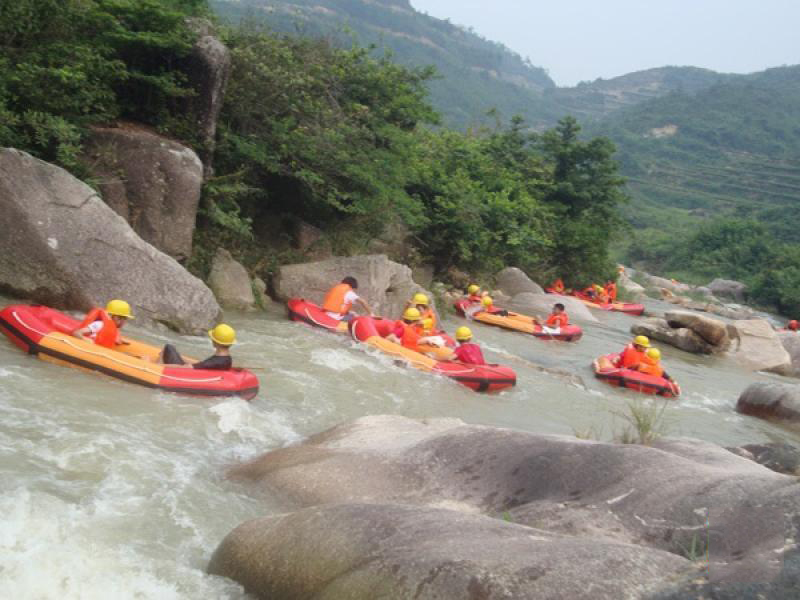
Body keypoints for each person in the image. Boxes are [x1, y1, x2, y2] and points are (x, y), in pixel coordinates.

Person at [160, 324, 236, 370]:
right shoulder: (227, 359)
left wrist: (157, 366)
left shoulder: (215, 361)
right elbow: (202, 365)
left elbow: (187, 368)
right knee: (170, 350)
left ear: (216, 342)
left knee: (168, 348)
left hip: (186, 375)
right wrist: (181, 357)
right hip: (198, 374)